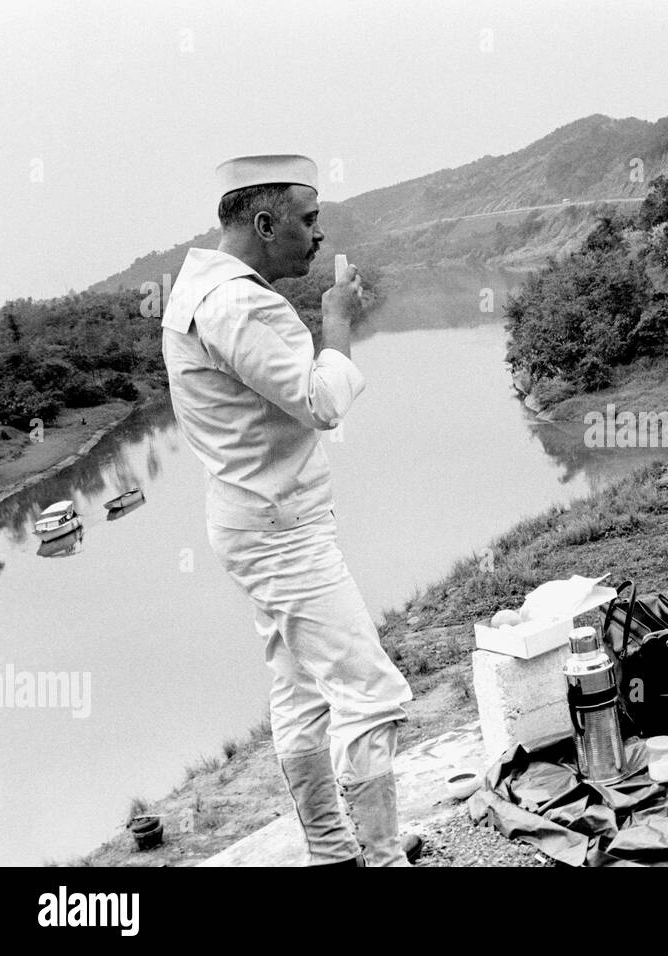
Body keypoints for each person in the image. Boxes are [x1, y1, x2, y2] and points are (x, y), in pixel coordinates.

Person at [161, 154, 413, 866]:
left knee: (301, 692)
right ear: (264, 223)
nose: (319, 236)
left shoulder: (206, 289)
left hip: (252, 520)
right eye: (309, 221)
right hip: (281, 531)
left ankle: (333, 851)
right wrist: (338, 319)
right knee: (368, 693)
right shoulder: (239, 303)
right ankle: (384, 857)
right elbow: (321, 401)